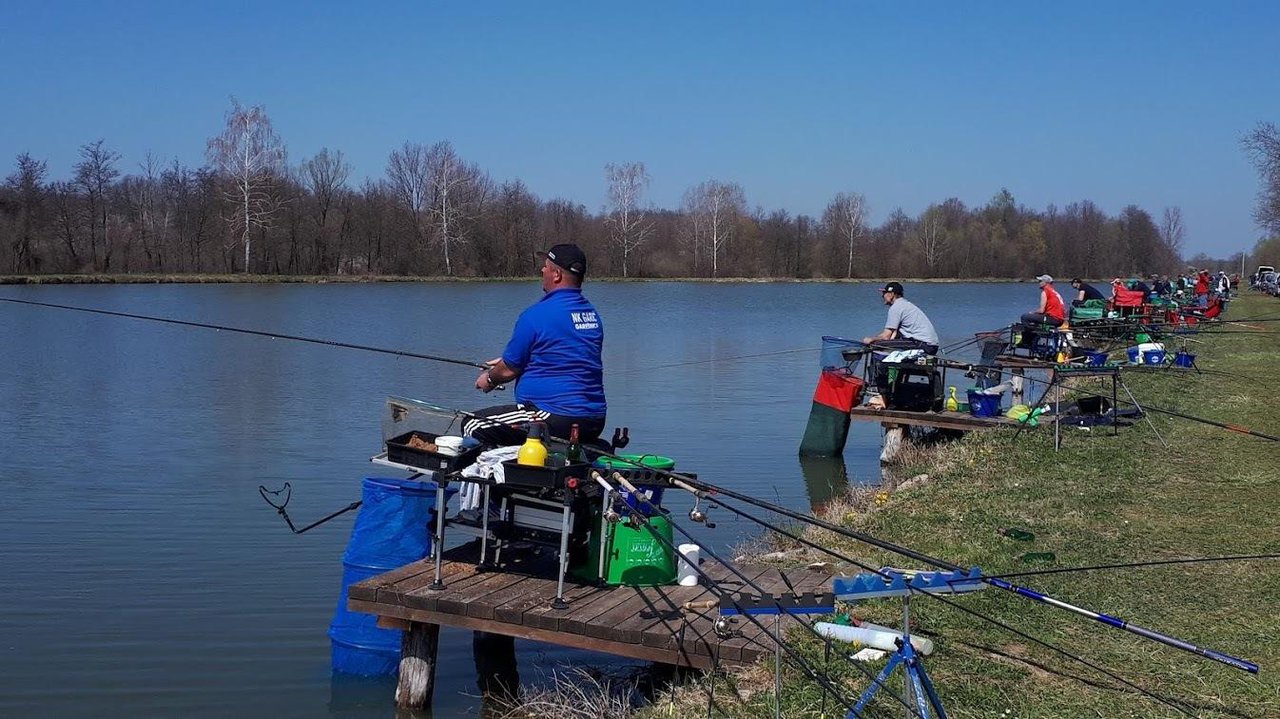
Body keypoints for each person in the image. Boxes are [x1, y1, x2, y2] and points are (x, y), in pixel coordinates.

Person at [464, 243, 607, 446]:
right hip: (594, 419)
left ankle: (499, 476)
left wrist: (489, 378)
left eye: (546, 266)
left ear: (556, 275)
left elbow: (509, 370)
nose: (542, 270)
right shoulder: (591, 316)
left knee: (473, 424)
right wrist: (508, 362)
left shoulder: (536, 315)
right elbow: (563, 357)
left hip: (553, 416)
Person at [861, 281, 939, 355]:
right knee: (888, 344)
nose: (882, 296)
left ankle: (880, 368)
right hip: (929, 345)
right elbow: (894, 335)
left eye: (884, 293)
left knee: (877, 345)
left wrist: (871, 339)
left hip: (923, 344)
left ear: (891, 294)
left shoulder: (896, 307)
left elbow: (886, 336)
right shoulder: (904, 304)